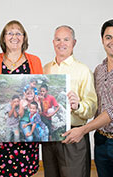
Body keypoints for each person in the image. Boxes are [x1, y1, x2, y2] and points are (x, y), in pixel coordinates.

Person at [62, 19, 113, 177]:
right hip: (101, 141)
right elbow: (94, 104)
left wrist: (83, 130)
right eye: (109, 37)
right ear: (102, 40)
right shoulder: (99, 70)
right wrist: (76, 103)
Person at [0, 20, 43, 177]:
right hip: (2, 132)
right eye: (10, 33)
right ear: (3, 38)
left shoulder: (34, 61)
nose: (14, 36)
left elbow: (37, 97)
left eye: (18, 33)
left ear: (24, 38)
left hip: (24, 128)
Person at [43, 25, 97, 177]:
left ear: (74, 42)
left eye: (66, 39)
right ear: (53, 42)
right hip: (50, 137)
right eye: (58, 39)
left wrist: (79, 105)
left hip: (73, 135)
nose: (62, 43)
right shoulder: (45, 69)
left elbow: (92, 106)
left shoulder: (83, 70)